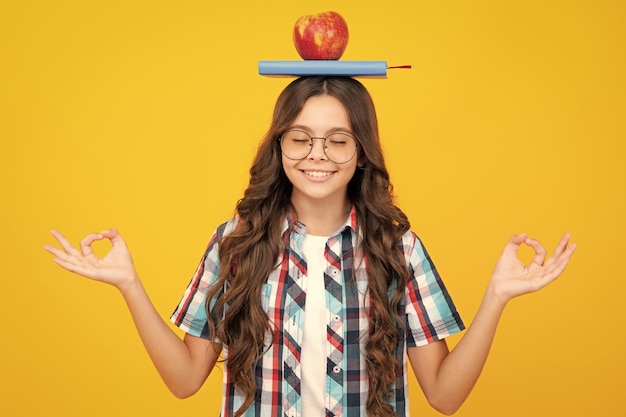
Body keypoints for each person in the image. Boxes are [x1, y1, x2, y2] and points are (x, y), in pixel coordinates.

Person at [44, 76, 576, 417]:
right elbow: (184, 381)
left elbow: (445, 395)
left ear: (361, 153)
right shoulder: (236, 243)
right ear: (279, 146)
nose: (316, 154)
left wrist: (497, 297)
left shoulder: (398, 249)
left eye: (338, 139)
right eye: (300, 137)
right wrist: (128, 285)